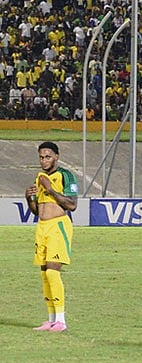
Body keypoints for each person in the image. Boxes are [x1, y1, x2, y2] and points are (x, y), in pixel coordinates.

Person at [25, 141, 78, 332]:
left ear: (56, 156)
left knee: (52, 272)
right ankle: (50, 319)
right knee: (43, 274)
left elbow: (72, 205)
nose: (43, 160)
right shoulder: (39, 177)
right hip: (42, 227)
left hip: (58, 226)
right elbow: (37, 211)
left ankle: (61, 320)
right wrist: (28, 197)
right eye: (41, 157)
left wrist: (50, 190)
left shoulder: (65, 176)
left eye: (47, 156)